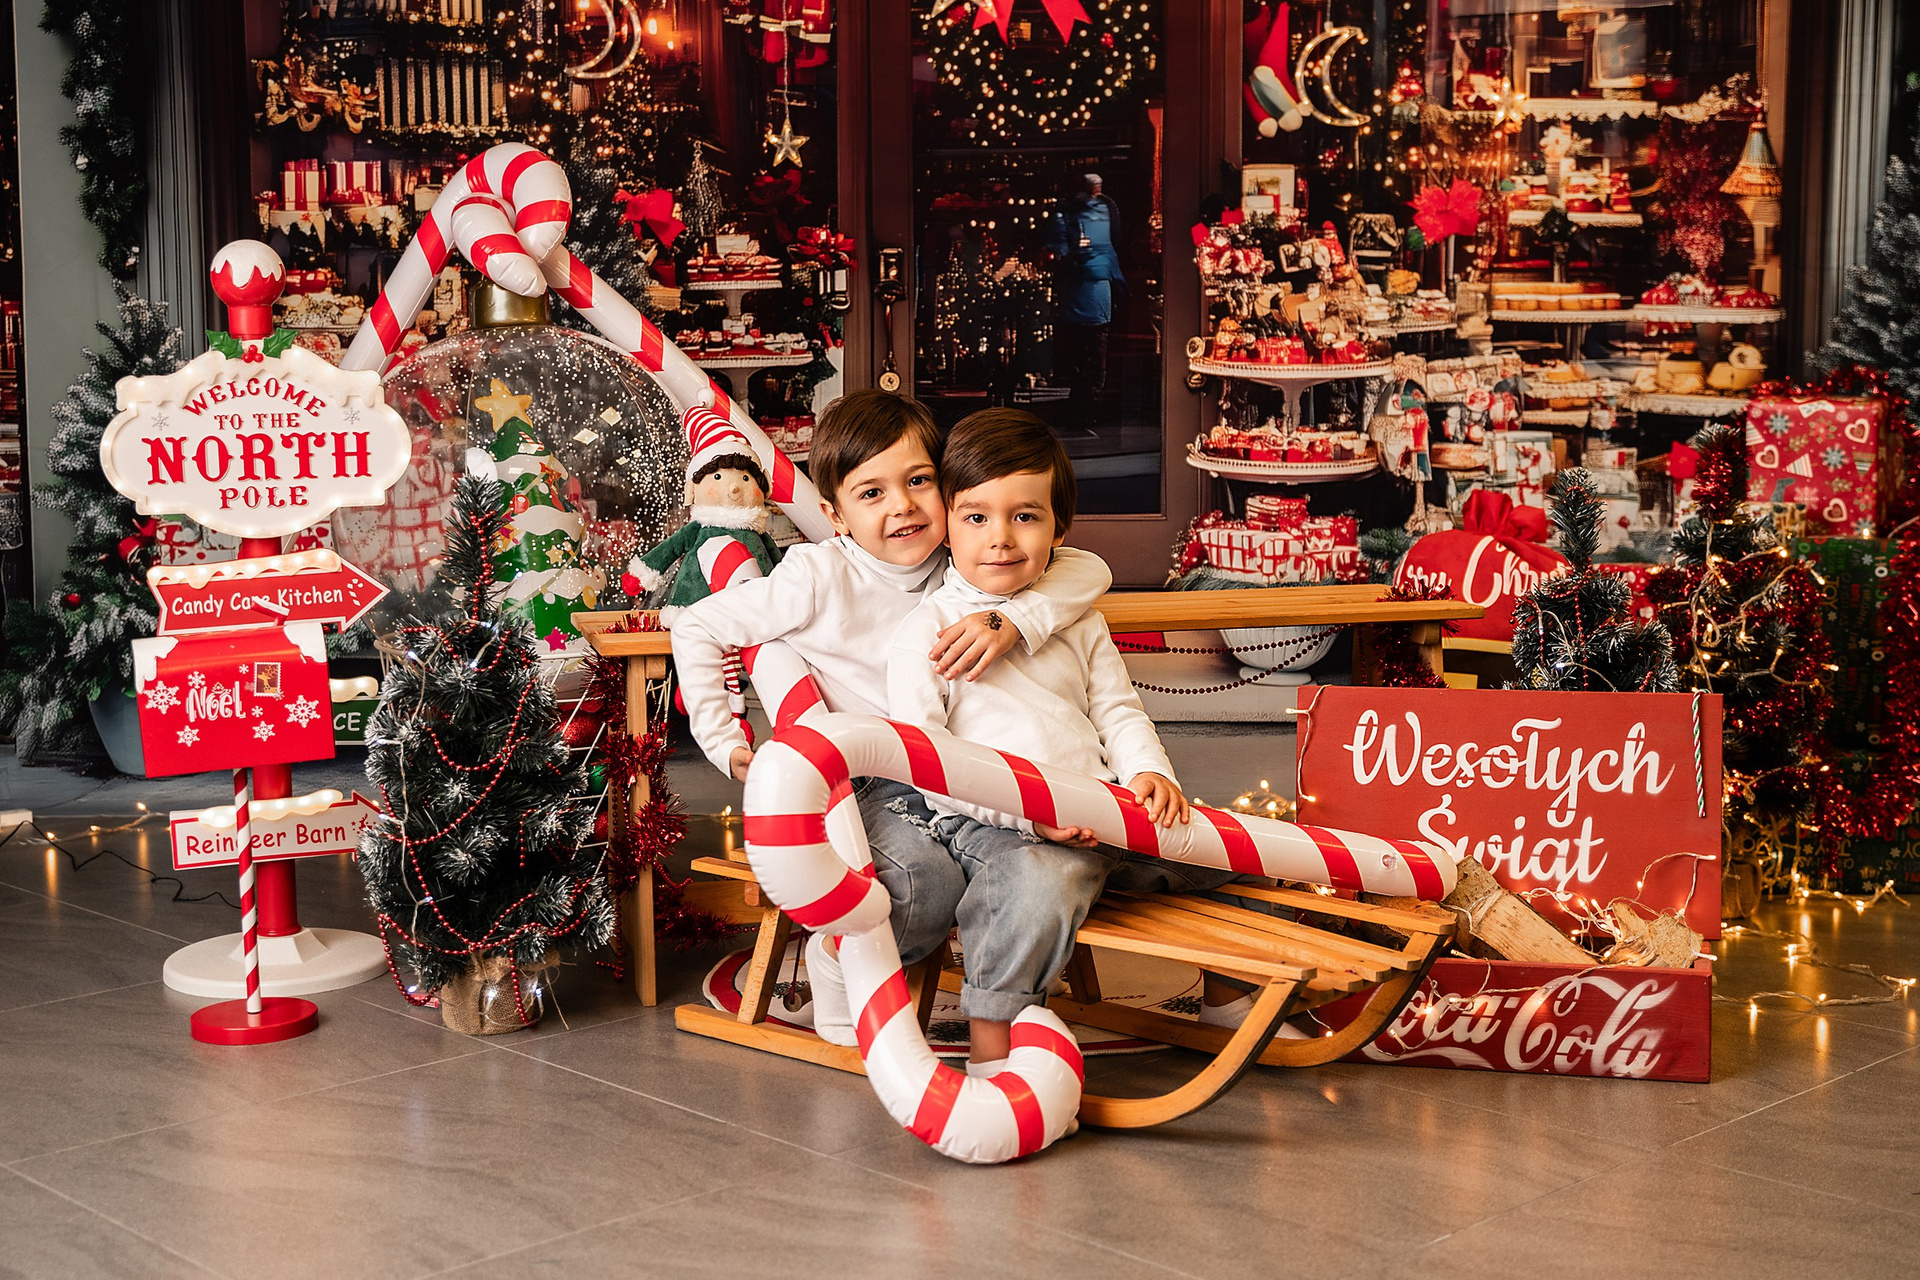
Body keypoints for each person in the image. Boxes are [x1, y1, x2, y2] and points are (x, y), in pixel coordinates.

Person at [669, 389, 1114, 1045]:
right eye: (871, 493)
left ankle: (1000, 993)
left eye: (918, 481)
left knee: (1030, 861)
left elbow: (1087, 569)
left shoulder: (963, 557)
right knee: (922, 884)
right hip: (870, 782)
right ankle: (838, 959)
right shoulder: (817, 576)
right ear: (834, 514)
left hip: (963, 769)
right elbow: (698, 626)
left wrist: (1012, 619)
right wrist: (721, 737)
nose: (902, 506)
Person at [886, 408, 1258, 1079]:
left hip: (1102, 807)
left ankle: (1226, 1001)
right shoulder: (927, 632)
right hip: (992, 824)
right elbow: (931, 766)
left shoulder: (1076, 621)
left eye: (1025, 517)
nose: (1000, 539)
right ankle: (995, 1047)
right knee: (1040, 882)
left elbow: (1117, 708)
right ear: (947, 523)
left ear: (1059, 528)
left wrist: (1148, 772)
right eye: (977, 517)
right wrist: (1033, 817)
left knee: (1223, 844)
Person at [1044, 173, 1125, 416]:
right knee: (1093, 343)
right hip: (1091, 286)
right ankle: (1090, 397)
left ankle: (1082, 396)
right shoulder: (1105, 208)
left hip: (1081, 286)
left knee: (1080, 344)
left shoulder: (1069, 209)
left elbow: (1057, 246)